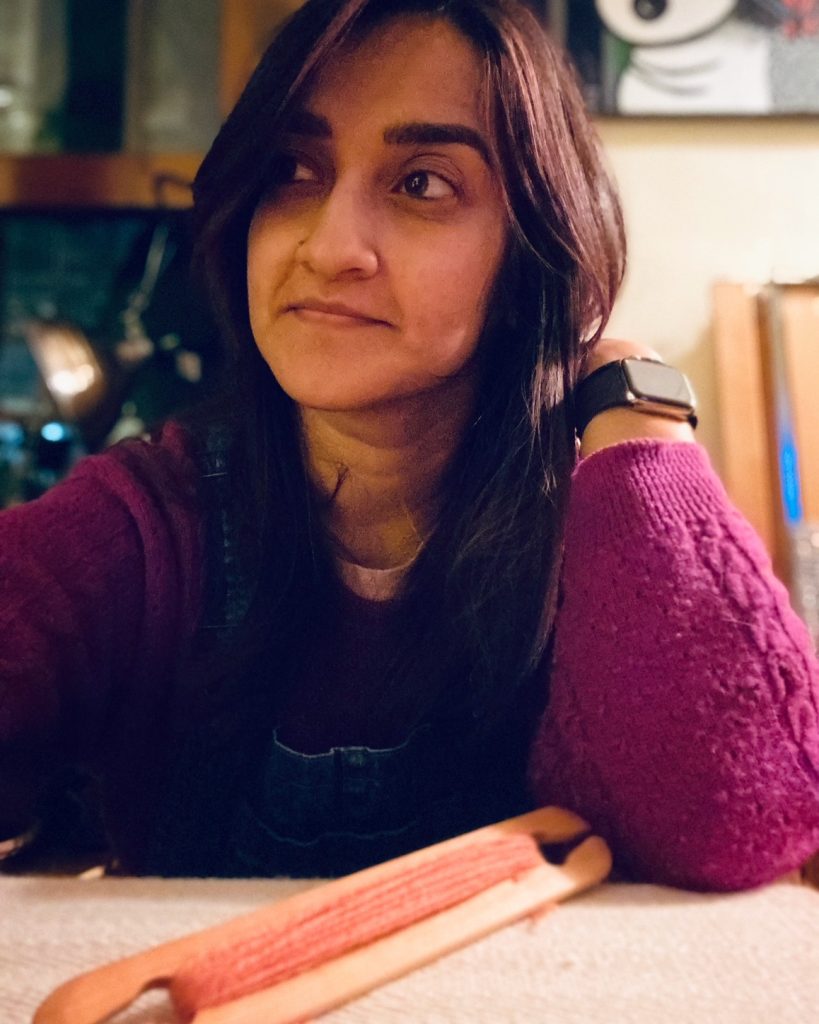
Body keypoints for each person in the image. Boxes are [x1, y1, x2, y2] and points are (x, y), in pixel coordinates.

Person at [1, 0, 818, 889]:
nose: (329, 246)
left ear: (529, 252)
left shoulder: (603, 535)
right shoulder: (150, 523)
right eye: (292, 170)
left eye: (421, 183)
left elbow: (738, 824)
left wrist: (635, 397)